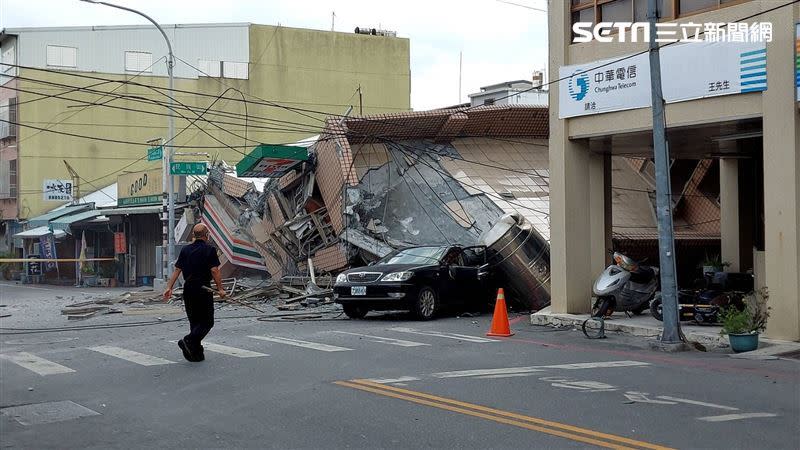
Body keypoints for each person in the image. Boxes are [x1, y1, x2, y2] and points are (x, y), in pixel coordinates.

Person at [163, 223, 226, 362]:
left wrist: (169, 287)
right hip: (203, 289)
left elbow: (177, 270)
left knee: (195, 321)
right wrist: (220, 289)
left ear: (193, 235)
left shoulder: (185, 250)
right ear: (207, 235)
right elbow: (214, 270)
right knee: (207, 321)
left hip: (189, 289)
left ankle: (196, 353)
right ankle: (188, 340)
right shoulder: (210, 250)